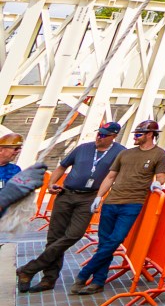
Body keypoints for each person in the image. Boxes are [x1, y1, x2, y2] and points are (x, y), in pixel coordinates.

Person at [17, 121, 123, 294]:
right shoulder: (83, 148)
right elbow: (62, 166)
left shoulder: (120, 152)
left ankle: (28, 269)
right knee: (54, 238)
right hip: (65, 194)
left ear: (114, 136)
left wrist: (101, 197)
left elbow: (116, 176)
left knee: (74, 234)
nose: (99, 137)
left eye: (104, 135)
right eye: (99, 133)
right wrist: (51, 183)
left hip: (88, 197)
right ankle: (48, 280)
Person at [71, 119, 165, 296]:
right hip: (111, 202)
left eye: (138, 134)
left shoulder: (159, 155)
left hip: (133, 203)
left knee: (115, 240)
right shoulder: (125, 154)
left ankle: (84, 274)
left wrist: (157, 184)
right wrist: (99, 197)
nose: (135, 137)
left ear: (149, 135)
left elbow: (161, 176)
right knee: (104, 242)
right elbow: (110, 177)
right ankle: (98, 281)